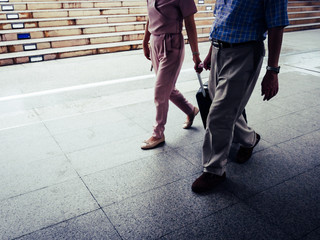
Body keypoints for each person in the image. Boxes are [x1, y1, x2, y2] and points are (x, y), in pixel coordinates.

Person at [192, 0, 289, 193]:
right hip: (219, 50)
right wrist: (212, 52)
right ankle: (249, 139)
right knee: (225, 109)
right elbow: (220, 20)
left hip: (243, 53)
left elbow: (276, 26)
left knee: (219, 114)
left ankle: (214, 170)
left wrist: (272, 71)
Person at [141, 0, 203, 150]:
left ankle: (158, 133)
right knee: (168, 89)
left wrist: (195, 54)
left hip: (172, 45)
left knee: (160, 91)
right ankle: (191, 110)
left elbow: (190, 24)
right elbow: (150, 16)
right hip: (155, 43)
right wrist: (145, 41)